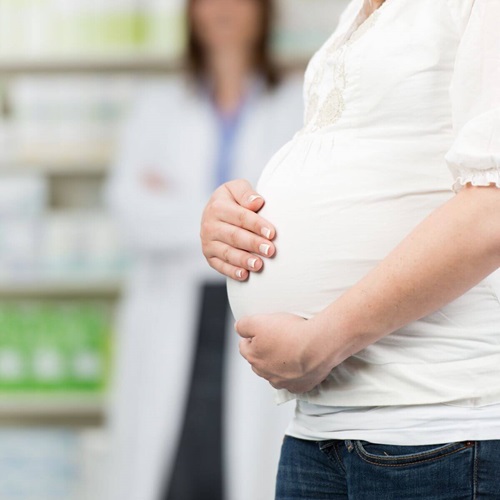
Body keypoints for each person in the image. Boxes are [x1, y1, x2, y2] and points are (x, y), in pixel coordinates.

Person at [200, 0, 500, 498]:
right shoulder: (355, 16)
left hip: (437, 430)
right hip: (320, 430)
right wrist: (233, 220)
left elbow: (491, 211)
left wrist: (320, 342)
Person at [105, 0, 303, 499]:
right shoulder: (159, 105)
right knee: (172, 470)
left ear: (264, 11)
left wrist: (178, 206)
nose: (223, 9)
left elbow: (298, 216)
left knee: (247, 467)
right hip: (173, 311)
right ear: (190, 12)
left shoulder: (297, 102)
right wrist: (233, 218)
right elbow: (129, 209)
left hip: (256, 310)